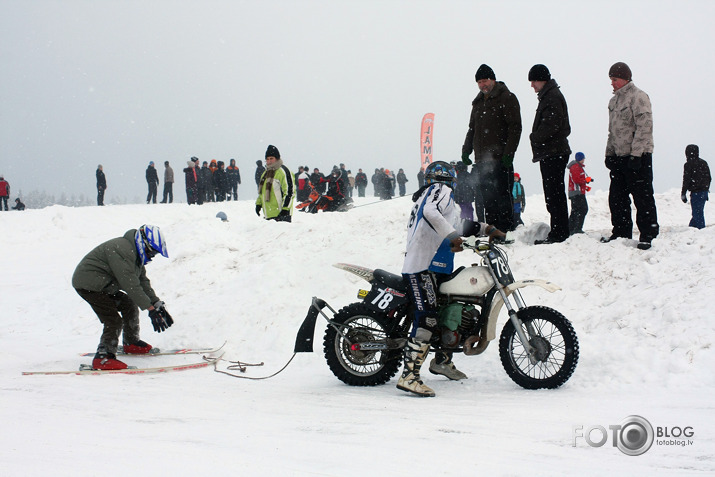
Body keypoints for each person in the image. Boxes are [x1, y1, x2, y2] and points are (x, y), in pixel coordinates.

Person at [398, 161, 506, 397]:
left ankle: (442, 361)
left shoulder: (436, 198)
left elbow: (458, 225)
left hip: (437, 266)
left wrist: (487, 229)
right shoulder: (439, 190)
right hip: (423, 266)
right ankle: (409, 376)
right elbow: (432, 215)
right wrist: (453, 236)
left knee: (449, 310)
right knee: (427, 319)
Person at [72, 225, 173, 370]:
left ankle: (131, 342)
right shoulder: (122, 249)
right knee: (113, 320)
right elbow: (130, 284)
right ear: (143, 243)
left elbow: (142, 281)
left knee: (128, 304)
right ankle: (103, 357)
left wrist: (156, 303)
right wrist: (150, 309)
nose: (151, 257)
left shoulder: (134, 254)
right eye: (152, 252)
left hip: (104, 285)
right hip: (89, 285)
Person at [601, 62, 659, 250]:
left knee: (642, 197)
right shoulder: (613, 102)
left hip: (638, 157)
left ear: (625, 78)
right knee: (617, 197)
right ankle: (621, 232)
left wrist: (636, 155)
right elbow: (613, 131)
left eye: (615, 79)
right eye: (611, 79)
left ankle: (648, 234)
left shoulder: (638, 97)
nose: (612, 83)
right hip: (619, 156)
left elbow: (645, 127)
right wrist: (609, 153)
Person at [461, 64, 522, 233]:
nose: (482, 85)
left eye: (485, 80)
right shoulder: (478, 103)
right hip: (482, 161)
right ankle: (494, 231)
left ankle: (506, 231)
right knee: (488, 199)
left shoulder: (507, 98)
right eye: (479, 82)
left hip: (500, 159)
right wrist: (466, 150)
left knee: (503, 196)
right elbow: (472, 129)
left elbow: (515, 127)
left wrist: (509, 153)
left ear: (492, 79)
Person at [527, 64, 571, 244]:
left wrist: (535, 137)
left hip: (554, 153)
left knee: (554, 195)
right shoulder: (549, 96)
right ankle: (559, 231)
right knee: (553, 194)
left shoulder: (551, 97)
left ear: (541, 79)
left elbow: (553, 126)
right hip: (551, 152)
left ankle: (559, 234)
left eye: (533, 81)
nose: (532, 86)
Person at [256, 145, 295, 222]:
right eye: (267, 159)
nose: (269, 161)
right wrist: (258, 204)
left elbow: (290, 192)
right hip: (269, 215)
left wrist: (285, 209)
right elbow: (262, 192)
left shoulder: (283, 171)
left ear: (277, 159)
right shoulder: (265, 174)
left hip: (282, 215)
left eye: (271, 158)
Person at [681, 144, 711, 229]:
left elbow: (686, 180)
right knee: (697, 212)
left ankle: (701, 231)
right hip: (704, 192)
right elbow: (709, 177)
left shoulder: (688, 164)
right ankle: (692, 229)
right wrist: (706, 188)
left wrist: (683, 193)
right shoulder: (704, 163)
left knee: (697, 213)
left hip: (696, 192)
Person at [568, 152, 592, 235]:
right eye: (583, 158)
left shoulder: (577, 167)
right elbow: (576, 180)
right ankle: (576, 228)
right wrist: (586, 180)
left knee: (576, 210)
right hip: (576, 193)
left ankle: (571, 228)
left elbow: (577, 181)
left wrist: (585, 186)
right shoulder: (575, 167)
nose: (584, 160)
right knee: (582, 209)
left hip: (576, 192)